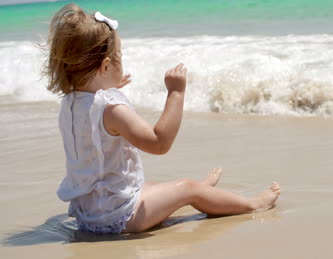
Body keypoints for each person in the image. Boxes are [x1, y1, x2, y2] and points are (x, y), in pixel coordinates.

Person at [44, 3, 280, 234]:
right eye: (120, 56)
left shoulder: (70, 104)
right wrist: (175, 93)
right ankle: (251, 204)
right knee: (187, 187)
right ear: (105, 66)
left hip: (89, 214)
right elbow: (159, 142)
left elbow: (95, 113)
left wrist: (110, 85)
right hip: (119, 217)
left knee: (151, 187)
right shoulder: (111, 110)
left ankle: (200, 193)